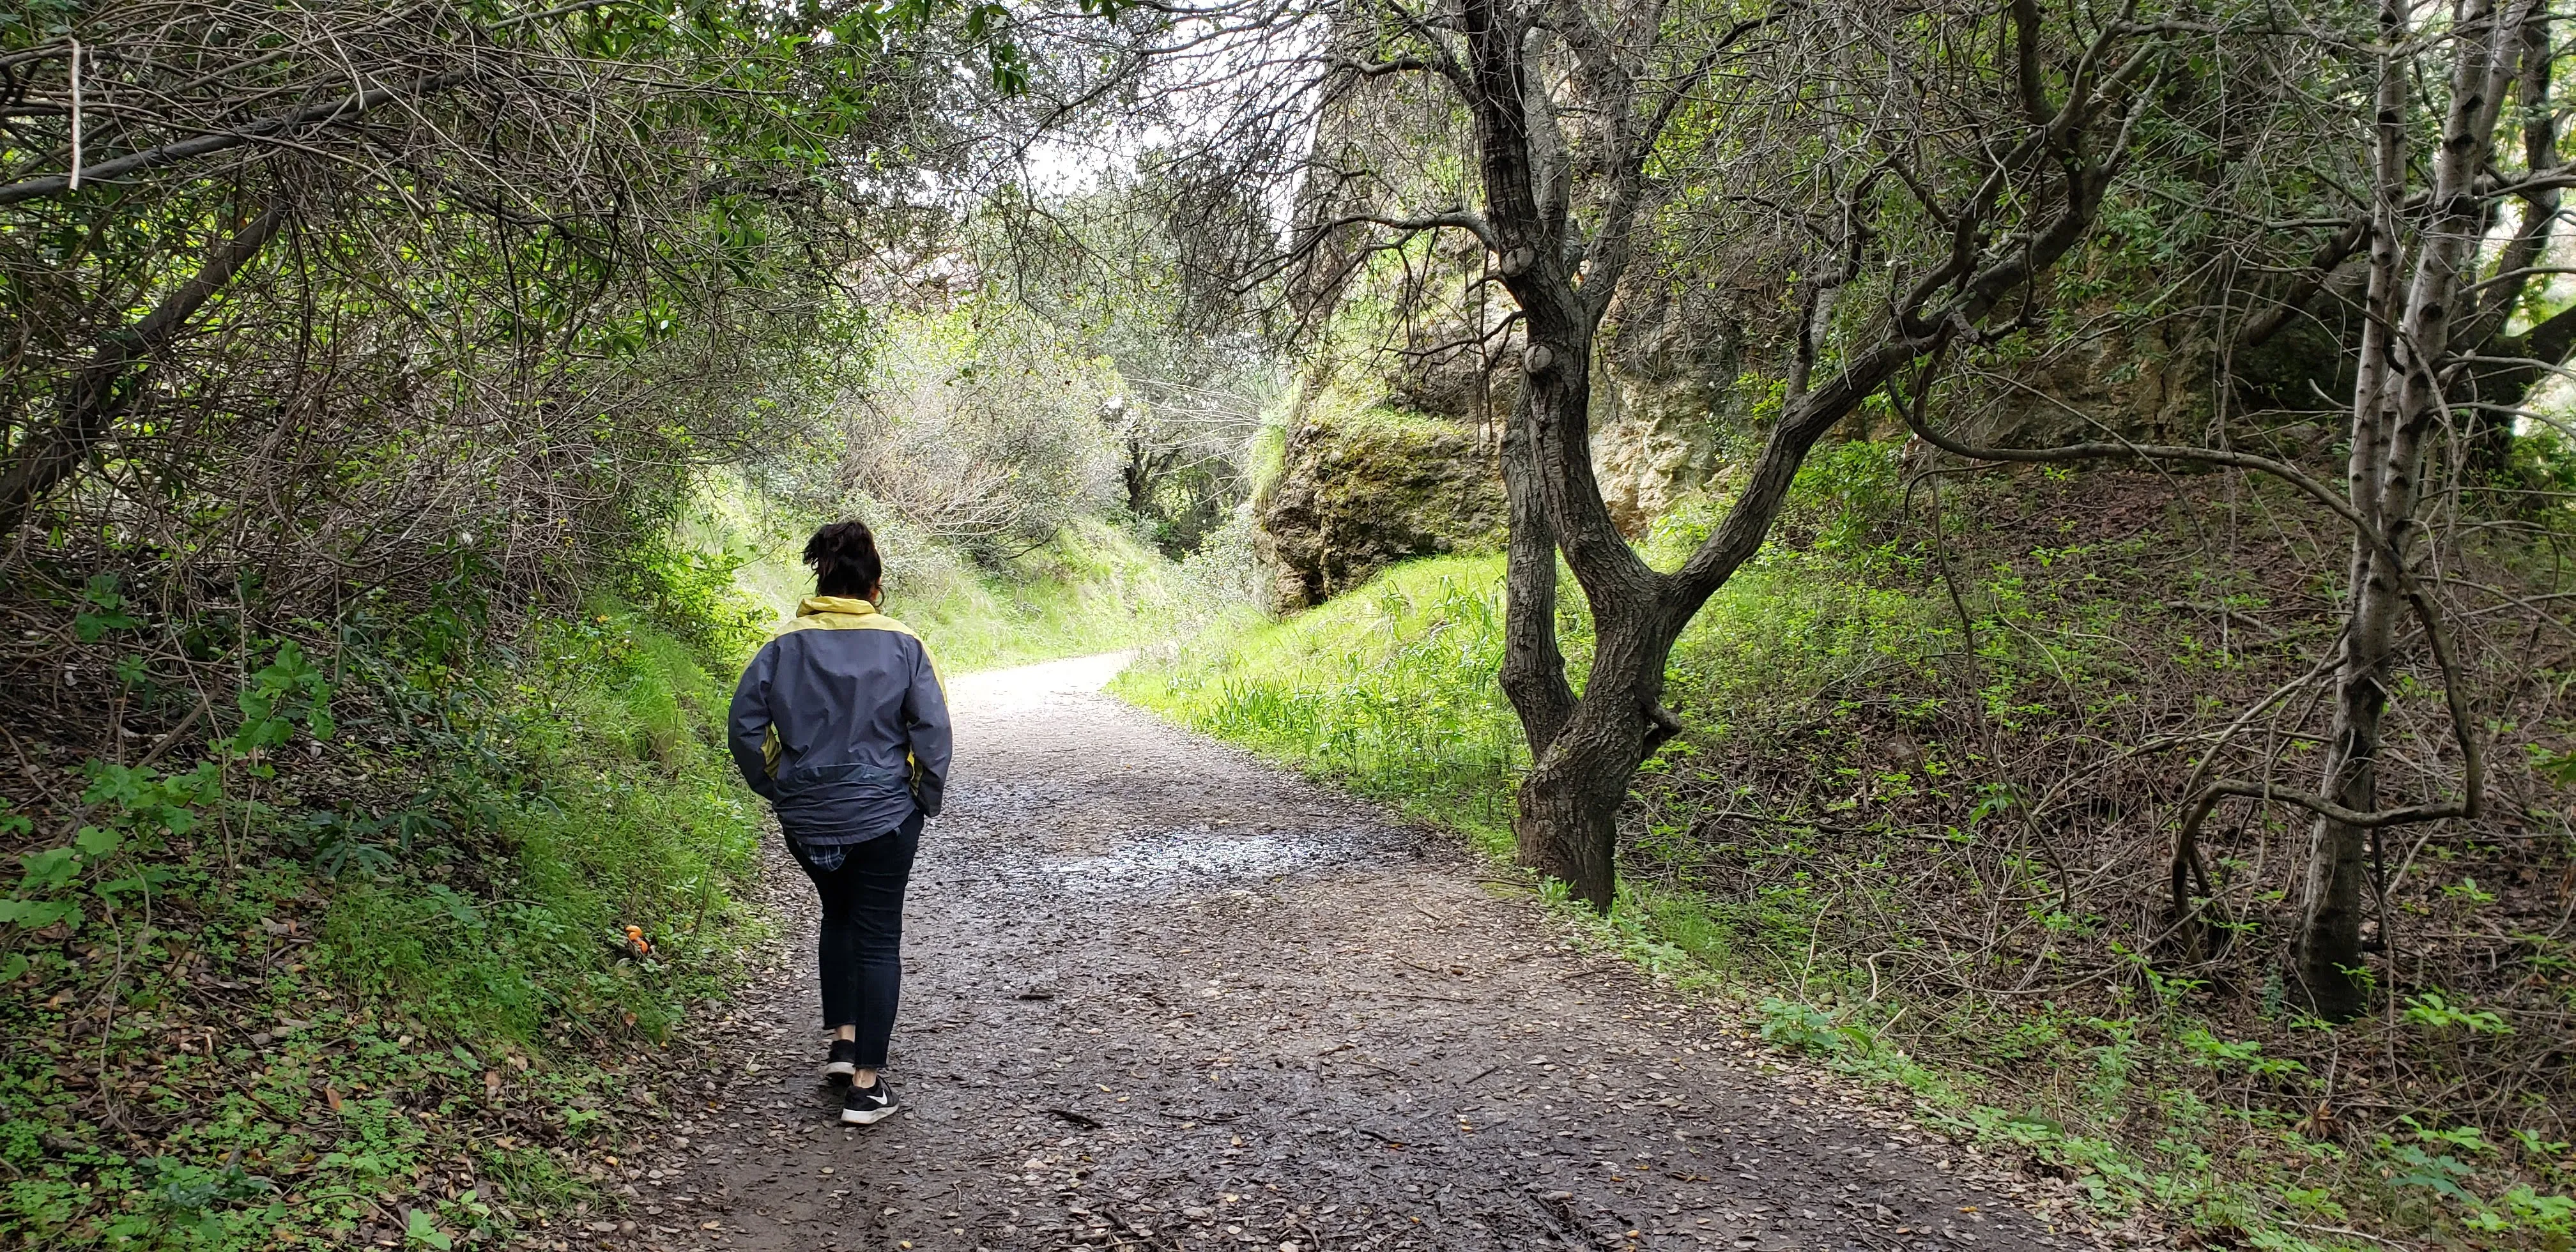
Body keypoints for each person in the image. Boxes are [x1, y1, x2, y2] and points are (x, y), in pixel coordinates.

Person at [727, 520, 951, 1126]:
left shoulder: (782, 646)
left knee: (839, 915)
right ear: (875, 584)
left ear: (819, 576)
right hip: (884, 815)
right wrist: (923, 798)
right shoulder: (904, 644)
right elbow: (932, 732)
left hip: (809, 817)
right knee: (879, 937)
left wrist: (776, 786)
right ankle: (867, 1088)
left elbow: (744, 730)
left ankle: (843, 1042)